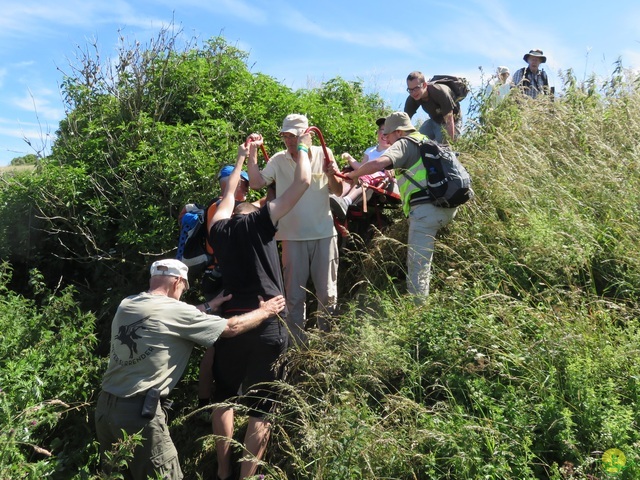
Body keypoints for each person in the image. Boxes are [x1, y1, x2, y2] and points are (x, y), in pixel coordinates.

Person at [94, 258, 285, 480]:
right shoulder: (175, 310)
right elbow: (232, 328)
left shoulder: (128, 303)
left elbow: (168, 313)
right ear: (177, 282)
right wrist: (266, 311)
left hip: (105, 411)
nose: (182, 293)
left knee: (115, 475)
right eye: (184, 288)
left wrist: (209, 306)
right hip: (139, 416)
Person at [208, 133, 312, 480]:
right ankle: (248, 476)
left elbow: (227, 194)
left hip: (230, 322)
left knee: (224, 398)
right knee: (262, 409)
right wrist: (303, 148)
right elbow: (304, 181)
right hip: (267, 320)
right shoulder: (262, 219)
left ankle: (223, 471)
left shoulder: (218, 228)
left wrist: (242, 156)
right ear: (255, 211)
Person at [246, 114, 343, 344]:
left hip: (324, 234)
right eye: (286, 136)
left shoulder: (323, 154)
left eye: (294, 136)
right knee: (294, 297)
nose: (289, 140)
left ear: (306, 135)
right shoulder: (279, 160)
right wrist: (251, 153)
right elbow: (257, 183)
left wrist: (332, 175)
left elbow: (338, 191)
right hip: (291, 237)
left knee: (327, 294)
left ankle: (325, 345)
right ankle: (296, 348)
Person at [345, 112, 458, 298]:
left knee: (417, 266)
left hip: (425, 210)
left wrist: (353, 175)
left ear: (398, 132)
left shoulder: (404, 143)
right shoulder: (425, 140)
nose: (387, 140)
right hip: (446, 205)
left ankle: (417, 315)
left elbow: (379, 163)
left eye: (388, 135)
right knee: (425, 260)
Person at [197, 165, 252, 415]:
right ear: (236, 183)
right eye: (246, 184)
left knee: (216, 342)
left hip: (213, 278)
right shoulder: (224, 208)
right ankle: (222, 400)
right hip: (225, 282)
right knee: (224, 340)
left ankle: (206, 402)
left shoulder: (213, 207)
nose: (248, 190)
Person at [329, 117, 394, 220]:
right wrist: (350, 158)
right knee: (349, 176)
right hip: (364, 173)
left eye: (388, 131)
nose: (384, 134)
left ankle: (346, 201)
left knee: (364, 176)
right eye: (382, 130)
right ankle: (338, 198)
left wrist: (390, 170)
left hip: (379, 176)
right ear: (378, 132)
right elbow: (361, 167)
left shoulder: (393, 150)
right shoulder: (370, 150)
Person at [404, 71, 462, 144]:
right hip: (434, 121)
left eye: (416, 88)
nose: (413, 93)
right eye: (410, 90)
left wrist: (451, 145)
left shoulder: (440, 92)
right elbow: (404, 122)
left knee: (442, 146)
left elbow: (449, 121)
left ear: (424, 85)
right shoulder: (411, 99)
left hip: (452, 121)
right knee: (417, 141)